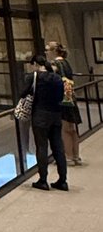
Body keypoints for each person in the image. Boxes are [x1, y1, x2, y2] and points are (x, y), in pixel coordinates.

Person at [24, 54, 67, 190]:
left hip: (40, 116)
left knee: (41, 147)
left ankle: (43, 179)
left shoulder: (33, 77)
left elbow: (23, 93)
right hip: (55, 115)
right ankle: (63, 179)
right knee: (58, 147)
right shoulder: (57, 78)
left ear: (35, 64)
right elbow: (61, 96)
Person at [47, 41, 83, 166]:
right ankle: (75, 155)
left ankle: (68, 155)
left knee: (65, 129)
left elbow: (59, 81)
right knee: (71, 129)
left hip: (63, 98)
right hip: (70, 96)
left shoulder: (57, 64)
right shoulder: (65, 62)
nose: (46, 52)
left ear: (53, 51)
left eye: (48, 50)